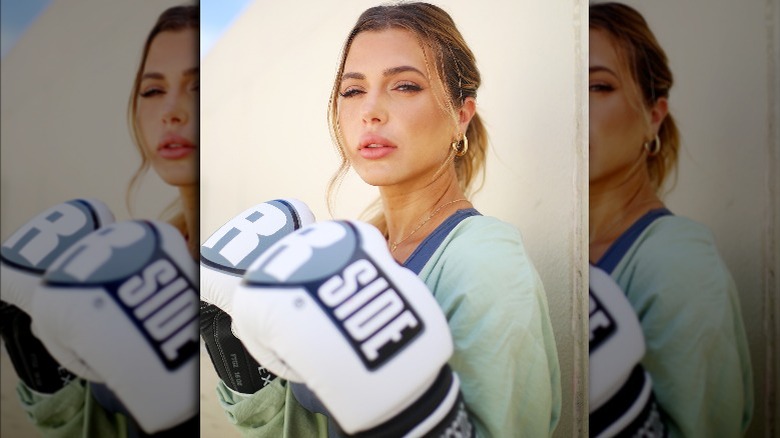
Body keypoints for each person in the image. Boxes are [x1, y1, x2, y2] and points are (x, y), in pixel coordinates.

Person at [213, 3, 561, 437]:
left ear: (461, 116)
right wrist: (235, 356)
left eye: (405, 86)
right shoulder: (359, 247)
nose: (370, 111)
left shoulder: (485, 264)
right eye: (353, 91)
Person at [4, 4, 199, 436]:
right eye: (152, 91)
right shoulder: (144, 254)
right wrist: (39, 366)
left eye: (197, 87)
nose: (172, 111)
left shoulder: (248, 262)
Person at [588, 3, 753, 436]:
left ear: (653, 116)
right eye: (560, 89)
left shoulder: (678, 264)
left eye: (599, 87)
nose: (573, 108)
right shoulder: (542, 252)